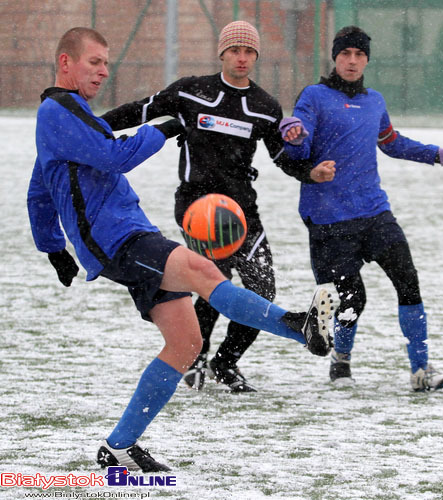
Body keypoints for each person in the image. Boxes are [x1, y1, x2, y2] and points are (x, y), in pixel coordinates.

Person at [26, 27, 334, 472]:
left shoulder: (70, 115)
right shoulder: (58, 110)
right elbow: (115, 156)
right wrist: (165, 128)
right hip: (116, 238)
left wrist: (52, 246)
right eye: (94, 62)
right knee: (202, 271)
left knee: (187, 342)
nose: (103, 71)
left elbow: (39, 190)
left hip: (128, 230)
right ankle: (298, 326)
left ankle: (119, 447)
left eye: (107, 63)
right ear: (65, 63)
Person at [101, 20, 335, 393]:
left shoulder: (264, 106)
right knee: (215, 283)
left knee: (262, 289)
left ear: (255, 56)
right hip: (199, 207)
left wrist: (312, 172)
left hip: (243, 210)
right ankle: (195, 360)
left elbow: (281, 158)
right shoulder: (191, 92)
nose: (241, 58)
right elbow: (141, 110)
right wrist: (94, 126)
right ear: (222, 53)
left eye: (248, 52)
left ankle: (226, 363)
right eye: (235, 50)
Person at [280, 25, 443, 392]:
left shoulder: (375, 101)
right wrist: (296, 138)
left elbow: (392, 142)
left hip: (374, 211)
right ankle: (341, 361)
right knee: (353, 298)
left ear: (367, 59)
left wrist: (439, 155)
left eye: (359, 55)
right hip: (329, 217)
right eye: (345, 54)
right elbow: (298, 150)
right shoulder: (315, 96)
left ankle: (421, 369)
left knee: (408, 282)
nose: (352, 61)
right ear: (335, 58)